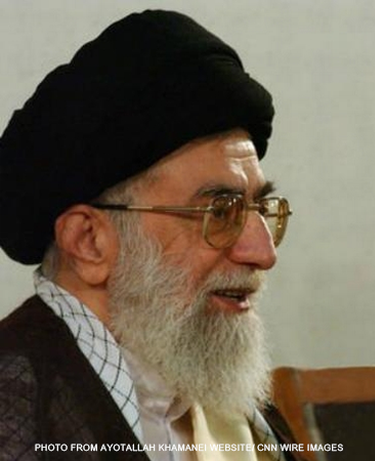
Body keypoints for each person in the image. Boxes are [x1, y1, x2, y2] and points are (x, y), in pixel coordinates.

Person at [0, 10, 297, 461]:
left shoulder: (227, 401)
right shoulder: (15, 412)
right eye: (220, 212)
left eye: (259, 208)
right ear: (89, 242)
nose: (263, 252)